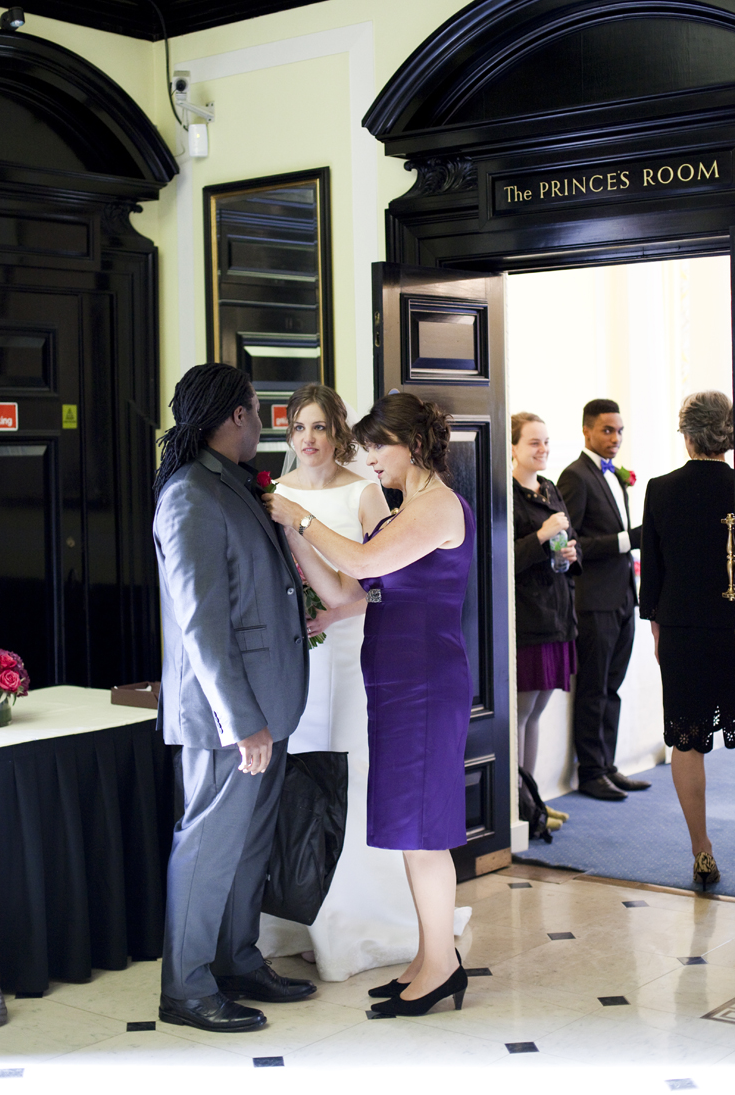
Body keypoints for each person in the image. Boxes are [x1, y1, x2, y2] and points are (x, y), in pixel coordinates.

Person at [263, 392, 475, 1019]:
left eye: (379, 446)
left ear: (414, 443)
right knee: (411, 830)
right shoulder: (407, 509)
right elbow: (344, 590)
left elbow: (360, 558)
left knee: (425, 833)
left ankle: (441, 968)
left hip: (426, 680)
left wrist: (300, 516)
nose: (371, 458)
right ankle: (429, 957)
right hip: (396, 679)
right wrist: (292, 533)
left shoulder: (437, 507)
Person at [152, 362, 316, 1035]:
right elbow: (201, 625)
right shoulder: (190, 493)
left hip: (267, 705)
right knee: (209, 848)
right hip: (229, 716)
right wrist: (241, 721)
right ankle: (186, 989)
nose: (263, 424)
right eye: (256, 409)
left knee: (248, 845)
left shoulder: (235, 483)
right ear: (237, 415)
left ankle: (236, 962)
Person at [639, 390, 735, 889]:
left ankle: (702, 851)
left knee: (687, 741)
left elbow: (652, 574)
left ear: (687, 434)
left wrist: (658, 630)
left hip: (683, 630)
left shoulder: (661, 489)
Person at [557, 398, 650, 801]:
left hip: (623, 596)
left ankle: (607, 766)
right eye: (607, 430)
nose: (615, 438)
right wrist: (627, 540)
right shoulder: (575, 476)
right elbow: (571, 542)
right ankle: (590, 772)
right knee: (594, 688)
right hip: (593, 600)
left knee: (613, 686)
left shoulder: (613, 474)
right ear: (587, 431)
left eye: (619, 430)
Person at [512, 413, 580, 826]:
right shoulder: (506, 493)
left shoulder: (550, 488)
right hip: (528, 618)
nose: (543, 449)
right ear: (513, 448)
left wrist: (571, 553)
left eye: (547, 442)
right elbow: (503, 555)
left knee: (536, 714)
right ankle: (519, 807)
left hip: (558, 613)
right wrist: (541, 536)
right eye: (534, 442)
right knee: (520, 715)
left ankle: (531, 798)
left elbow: (571, 542)